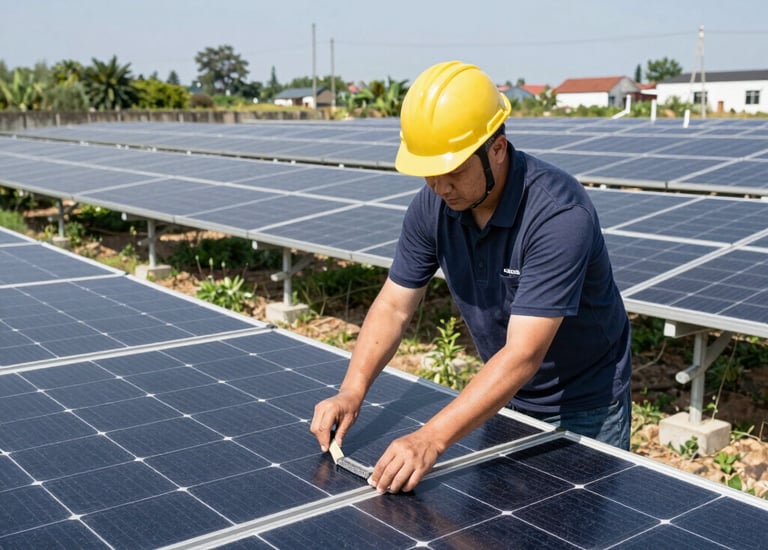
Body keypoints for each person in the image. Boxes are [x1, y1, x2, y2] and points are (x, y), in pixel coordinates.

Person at [311, 60, 632, 494]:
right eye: (429, 171)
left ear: (497, 148)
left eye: (454, 170)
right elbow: (393, 306)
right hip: (504, 396)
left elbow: (522, 354)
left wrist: (430, 438)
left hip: (583, 405)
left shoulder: (557, 215)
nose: (440, 186)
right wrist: (351, 390)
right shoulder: (433, 206)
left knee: (568, 532)